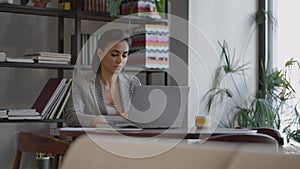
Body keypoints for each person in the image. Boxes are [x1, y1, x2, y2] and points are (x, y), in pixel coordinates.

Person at [64, 29, 141, 127]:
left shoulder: (133, 82)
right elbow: (71, 117)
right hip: (94, 139)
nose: (120, 60)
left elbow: (141, 117)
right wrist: (99, 121)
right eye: (114, 54)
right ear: (100, 53)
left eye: (124, 55)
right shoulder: (82, 82)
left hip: (128, 139)